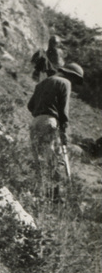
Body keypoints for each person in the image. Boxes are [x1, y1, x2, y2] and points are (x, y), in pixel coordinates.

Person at [27, 62, 84, 200]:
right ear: (70, 75)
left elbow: (30, 105)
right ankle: (54, 195)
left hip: (35, 122)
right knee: (52, 158)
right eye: (75, 80)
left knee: (38, 158)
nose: (74, 83)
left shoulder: (42, 83)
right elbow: (64, 108)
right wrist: (64, 126)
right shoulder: (65, 82)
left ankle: (38, 191)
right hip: (50, 122)